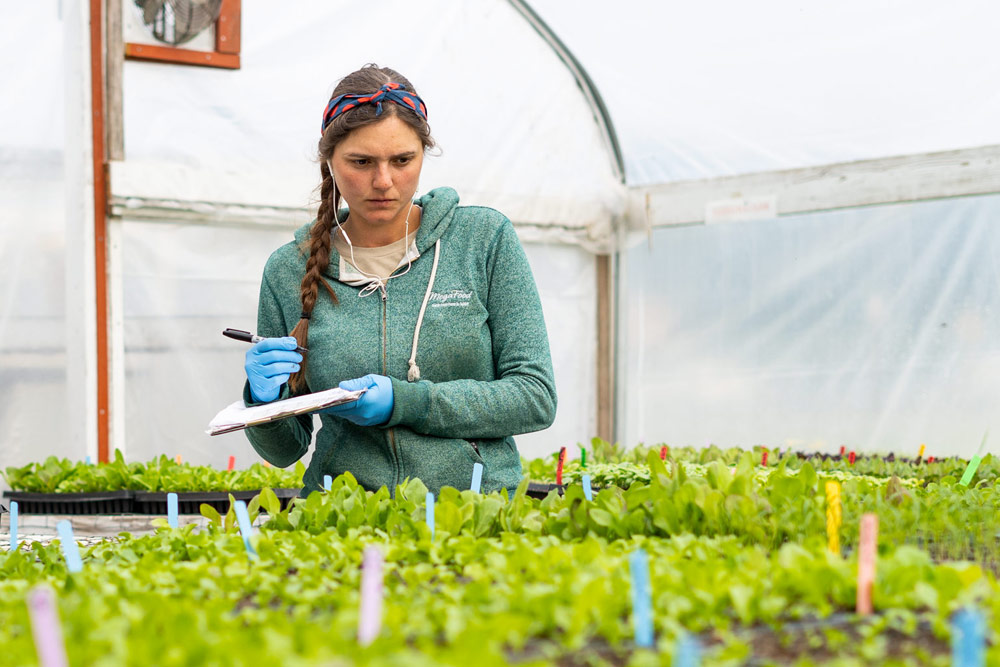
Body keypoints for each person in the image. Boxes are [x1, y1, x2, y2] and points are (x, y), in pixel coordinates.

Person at [241, 64, 557, 495]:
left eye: (402, 160)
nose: (383, 181)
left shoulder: (483, 241)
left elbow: (534, 397)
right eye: (361, 162)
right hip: (343, 521)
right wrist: (263, 403)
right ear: (329, 160)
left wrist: (408, 402)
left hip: (475, 516)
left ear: (424, 154)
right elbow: (284, 451)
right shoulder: (288, 270)